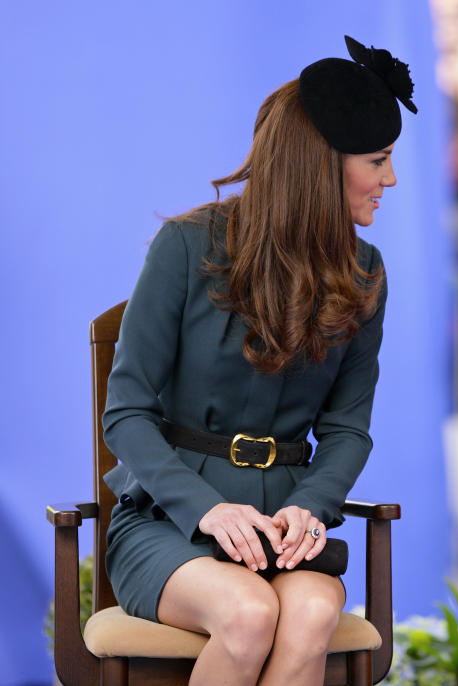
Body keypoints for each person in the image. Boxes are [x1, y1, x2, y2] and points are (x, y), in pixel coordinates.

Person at [100, 35, 416, 685]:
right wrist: (206, 510)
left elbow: (347, 428)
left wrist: (312, 506)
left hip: (282, 529)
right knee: (247, 615)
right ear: (321, 164)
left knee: (309, 614)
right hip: (170, 522)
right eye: (379, 160)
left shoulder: (366, 273)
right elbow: (126, 413)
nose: (390, 180)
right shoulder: (186, 246)